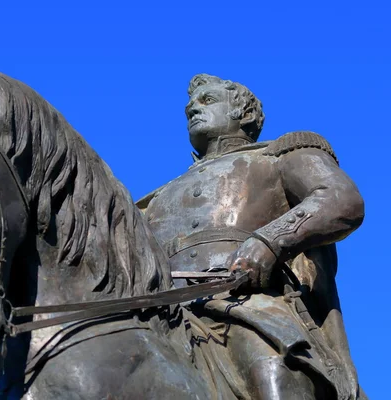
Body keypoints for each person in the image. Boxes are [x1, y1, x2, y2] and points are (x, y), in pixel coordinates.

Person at [137, 74, 366, 399]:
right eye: (190, 104)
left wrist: (271, 241)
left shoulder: (278, 155)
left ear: (244, 113)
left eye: (207, 100)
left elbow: (341, 199)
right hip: (163, 315)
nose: (192, 108)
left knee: (270, 369)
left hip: (245, 304)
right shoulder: (153, 200)